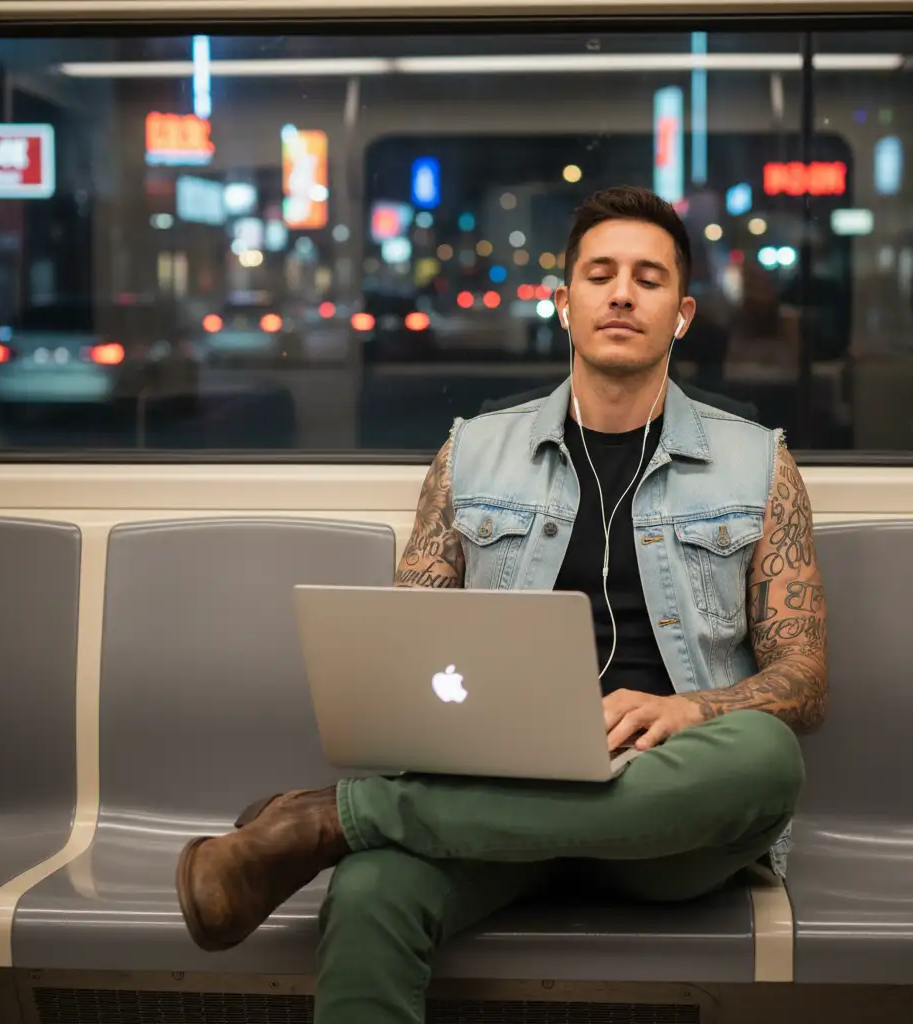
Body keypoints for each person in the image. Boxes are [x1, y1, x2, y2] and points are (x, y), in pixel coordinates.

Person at [175, 185, 828, 1024]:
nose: (622, 293)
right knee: (372, 892)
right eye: (600, 274)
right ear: (564, 304)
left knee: (767, 759)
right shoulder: (471, 454)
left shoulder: (758, 465)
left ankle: (331, 821)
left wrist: (691, 708)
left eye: (648, 278)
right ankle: (364, 830)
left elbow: (804, 680)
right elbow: (402, 648)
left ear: (683, 313)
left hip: (671, 818)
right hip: (491, 794)